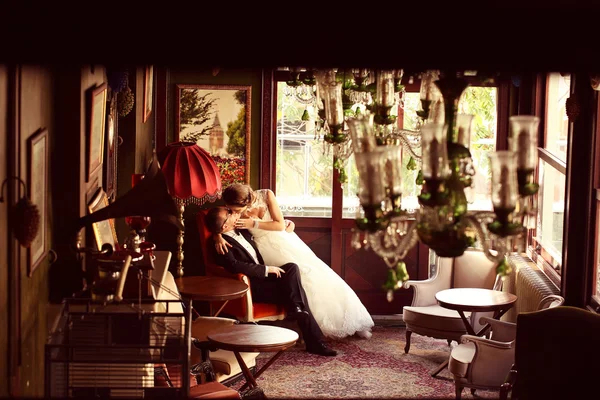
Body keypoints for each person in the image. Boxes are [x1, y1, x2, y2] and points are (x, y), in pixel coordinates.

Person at [213, 183, 374, 340]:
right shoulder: (233, 211)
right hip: (264, 248)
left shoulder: (266, 194)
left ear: (244, 202)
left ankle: (335, 320)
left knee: (313, 273)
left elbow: (280, 224)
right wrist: (217, 235)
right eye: (231, 210)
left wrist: (262, 223)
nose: (232, 212)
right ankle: (306, 326)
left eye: (235, 209)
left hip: (284, 241)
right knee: (298, 280)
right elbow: (219, 222)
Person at [204, 206, 337, 357]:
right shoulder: (219, 244)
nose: (234, 213)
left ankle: (297, 311)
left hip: (264, 280)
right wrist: (266, 270)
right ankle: (313, 338)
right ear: (224, 226)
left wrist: (287, 223)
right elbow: (234, 266)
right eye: (229, 213)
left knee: (292, 268)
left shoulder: (242, 230)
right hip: (253, 287)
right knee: (296, 294)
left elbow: (266, 228)